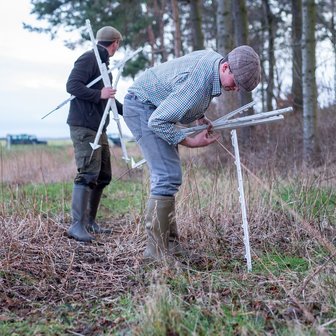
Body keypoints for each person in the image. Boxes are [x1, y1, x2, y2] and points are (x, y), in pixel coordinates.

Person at [123, 45, 261, 261]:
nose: (237, 89)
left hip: (154, 106)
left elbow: (184, 92)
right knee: (167, 176)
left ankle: (171, 245)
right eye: (237, 83)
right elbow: (158, 121)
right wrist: (190, 142)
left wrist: (199, 116)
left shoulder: (213, 62)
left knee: (170, 175)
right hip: (142, 107)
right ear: (226, 67)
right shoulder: (198, 83)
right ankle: (155, 253)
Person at [66, 26, 123, 242]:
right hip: (84, 126)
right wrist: (98, 93)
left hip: (99, 127)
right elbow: (72, 85)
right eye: (118, 44)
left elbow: (108, 99)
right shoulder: (89, 59)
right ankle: (76, 226)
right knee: (88, 173)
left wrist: (131, 112)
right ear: (115, 43)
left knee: (103, 175)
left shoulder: (103, 65)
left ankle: (90, 222)